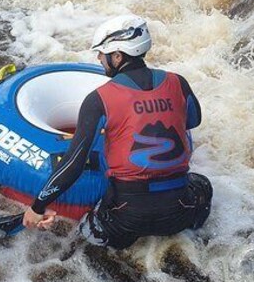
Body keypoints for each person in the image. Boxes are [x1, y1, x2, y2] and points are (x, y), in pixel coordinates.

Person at [22, 15, 213, 249]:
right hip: (180, 212)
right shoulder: (178, 83)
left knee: (87, 231)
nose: (99, 59)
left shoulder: (99, 99)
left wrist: (37, 206)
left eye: (102, 54)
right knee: (202, 184)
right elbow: (193, 121)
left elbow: (74, 163)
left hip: (127, 217)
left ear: (118, 56)